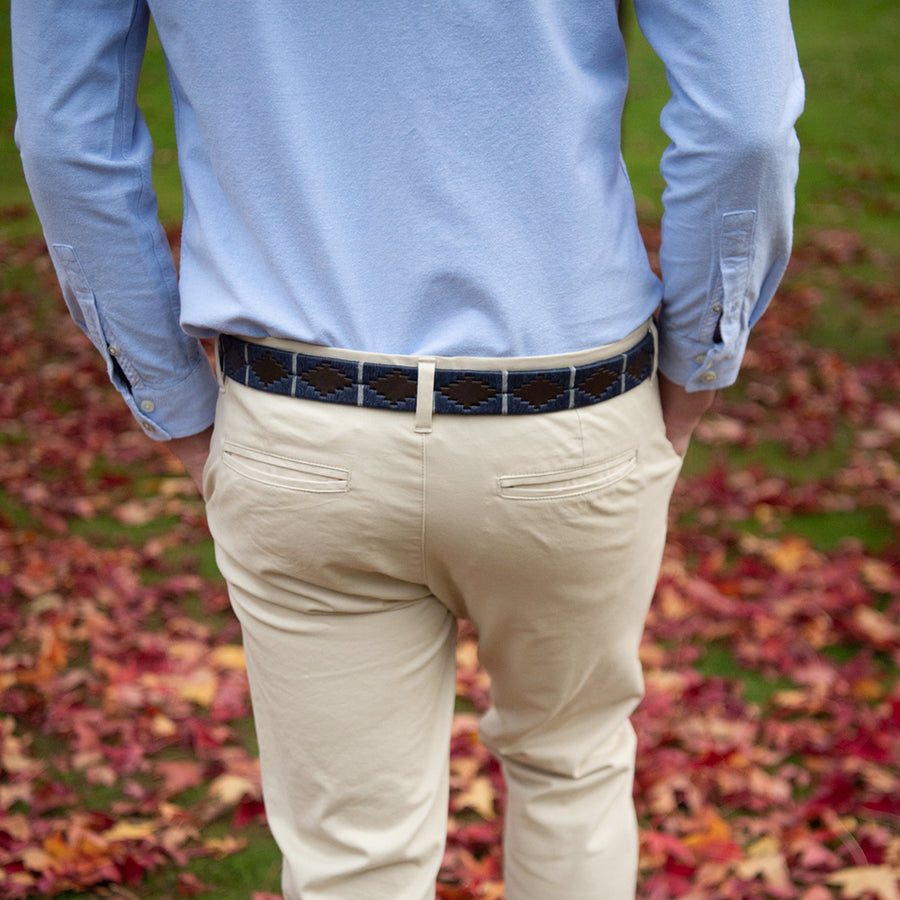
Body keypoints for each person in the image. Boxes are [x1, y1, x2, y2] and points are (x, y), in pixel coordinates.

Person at [12, 2, 803, 898]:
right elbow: (744, 125)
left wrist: (173, 399)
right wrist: (698, 360)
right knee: (571, 770)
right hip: (570, 414)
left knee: (354, 857)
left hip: (301, 420)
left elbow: (65, 138)